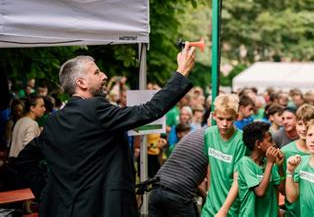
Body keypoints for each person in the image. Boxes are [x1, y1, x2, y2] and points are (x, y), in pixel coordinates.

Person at [14, 44, 195, 217]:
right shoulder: (95, 109)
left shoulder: (53, 121)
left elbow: (23, 160)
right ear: (81, 82)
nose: (104, 76)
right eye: (97, 72)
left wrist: (46, 194)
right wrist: (182, 72)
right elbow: (149, 110)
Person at [201, 94, 246, 217]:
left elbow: (238, 179)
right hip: (210, 205)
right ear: (214, 115)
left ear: (236, 117)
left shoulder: (241, 141)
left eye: (229, 119)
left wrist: (224, 210)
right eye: (220, 118)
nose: (224, 124)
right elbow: (210, 164)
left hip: (231, 207)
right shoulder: (209, 134)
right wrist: (209, 192)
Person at [148, 127, 208, 217]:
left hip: (156, 189)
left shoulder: (194, 134)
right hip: (178, 194)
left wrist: (204, 195)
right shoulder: (214, 139)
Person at [236, 122, 284, 217]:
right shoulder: (245, 163)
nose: (274, 144)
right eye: (270, 141)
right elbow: (260, 192)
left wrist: (279, 166)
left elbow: (281, 189)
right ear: (258, 144)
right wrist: (270, 164)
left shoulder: (268, 162)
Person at [281, 104, 314, 217]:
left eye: (307, 125)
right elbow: (283, 186)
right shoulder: (286, 151)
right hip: (294, 211)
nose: (303, 129)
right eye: (300, 124)